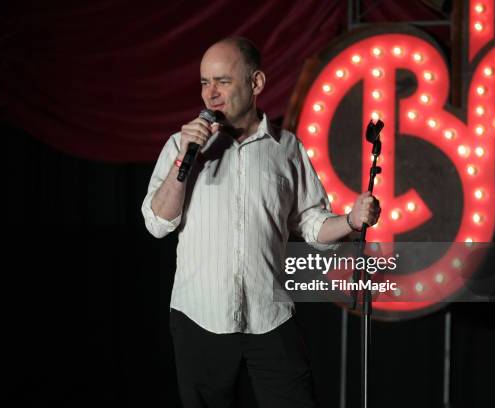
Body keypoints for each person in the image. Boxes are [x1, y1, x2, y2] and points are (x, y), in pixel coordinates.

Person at [141, 37, 380, 408]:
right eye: (204, 83)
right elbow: (157, 223)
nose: (210, 94)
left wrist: (350, 220)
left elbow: (313, 225)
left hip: (270, 316)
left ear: (256, 84)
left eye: (222, 81)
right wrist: (184, 161)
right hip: (200, 317)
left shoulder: (286, 149)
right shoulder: (180, 146)